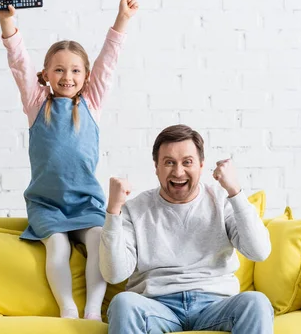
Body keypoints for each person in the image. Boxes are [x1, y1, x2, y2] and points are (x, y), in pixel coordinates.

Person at [0, 0, 139, 321]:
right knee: (58, 248)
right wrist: (8, 22)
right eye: (59, 70)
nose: (67, 77)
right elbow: (19, 63)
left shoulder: (91, 103)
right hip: (46, 204)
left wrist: (122, 20)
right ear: (46, 73)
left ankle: (92, 309)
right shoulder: (37, 104)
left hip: (86, 202)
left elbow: (109, 59)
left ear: (86, 77)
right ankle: (68, 308)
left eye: (75, 71)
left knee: (98, 243)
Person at [100, 124, 273, 333]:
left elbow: (259, 252)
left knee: (256, 302)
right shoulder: (135, 209)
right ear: (156, 167)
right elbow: (114, 275)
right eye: (169, 162)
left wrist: (234, 191)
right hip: (157, 306)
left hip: (216, 305)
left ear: (201, 165)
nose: (178, 171)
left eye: (187, 162)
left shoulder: (222, 200)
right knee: (123, 303)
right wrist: (113, 210)